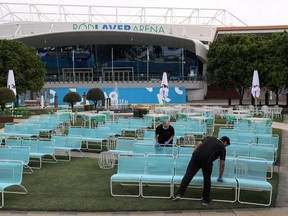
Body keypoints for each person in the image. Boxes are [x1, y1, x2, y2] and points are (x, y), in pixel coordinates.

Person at [173, 136, 230, 205]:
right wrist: (220, 177)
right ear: (225, 142)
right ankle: (205, 199)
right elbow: (222, 163)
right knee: (207, 179)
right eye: (226, 145)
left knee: (188, 175)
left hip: (196, 155)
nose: (225, 146)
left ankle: (179, 194)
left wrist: (194, 154)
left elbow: (199, 143)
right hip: (207, 159)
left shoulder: (210, 138)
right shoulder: (222, 147)